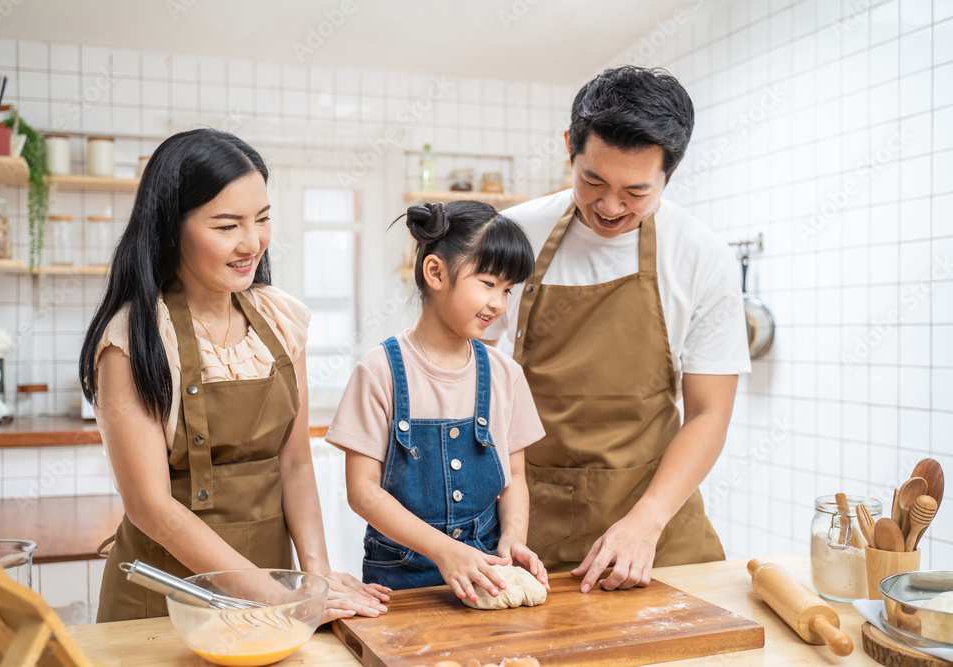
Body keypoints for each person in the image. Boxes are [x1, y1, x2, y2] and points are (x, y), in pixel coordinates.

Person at [79, 128, 389, 622]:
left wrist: (316, 577)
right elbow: (151, 507)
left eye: (262, 219)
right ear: (169, 228)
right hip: (167, 601)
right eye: (226, 226)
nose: (252, 243)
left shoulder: (280, 320)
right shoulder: (135, 337)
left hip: (277, 590)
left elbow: (296, 464)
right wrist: (279, 598)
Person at [483, 66, 751, 593]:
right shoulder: (512, 236)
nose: (609, 207)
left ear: (669, 175)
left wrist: (646, 523)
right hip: (531, 524)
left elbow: (707, 413)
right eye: (593, 181)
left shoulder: (702, 257)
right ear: (570, 148)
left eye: (636, 191)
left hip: (657, 524)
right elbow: (471, 383)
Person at [326, 201, 549, 602]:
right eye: (487, 282)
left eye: (507, 289)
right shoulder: (380, 371)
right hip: (400, 582)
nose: (499, 303)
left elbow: (513, 478)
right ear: (436, 273)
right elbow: (363, 491)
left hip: (485, 577)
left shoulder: (505, 375)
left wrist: (513, 539)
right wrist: (445, 551)